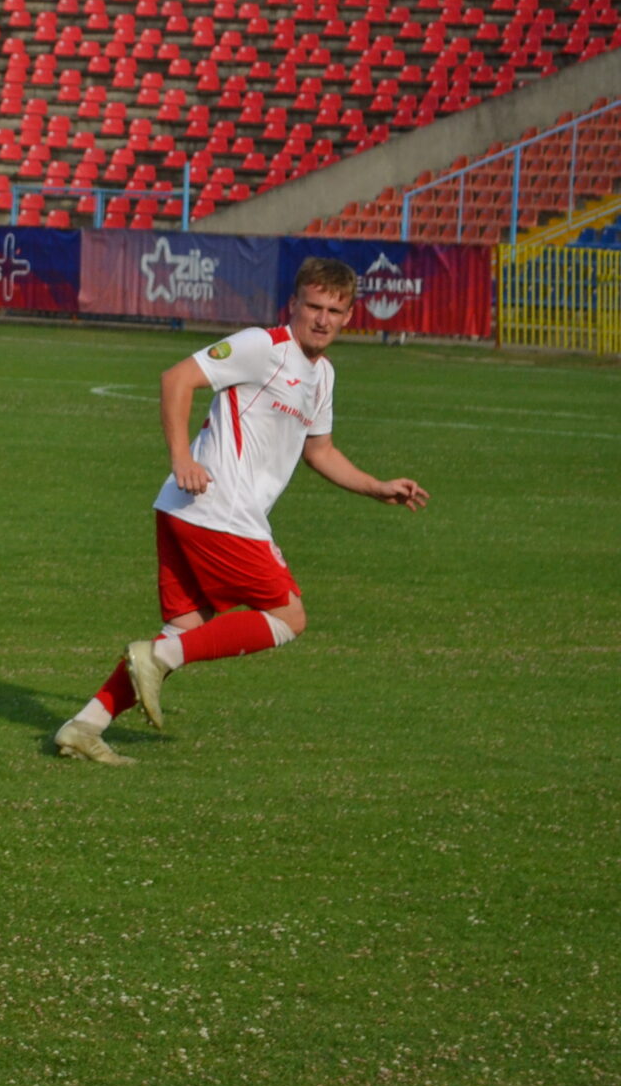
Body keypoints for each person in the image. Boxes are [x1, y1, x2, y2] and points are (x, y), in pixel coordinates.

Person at [54, 258, 428, 766]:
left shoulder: (323, 376)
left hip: (186, 510)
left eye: (333, 310)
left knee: (187, 631)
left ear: (348, 315)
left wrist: (375, 487)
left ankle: (85, 725)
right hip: (217, 507)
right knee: (289, 617)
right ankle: (156, 658)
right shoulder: (263, 346)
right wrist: (181, 456)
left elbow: (320, 451)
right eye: (313, 306)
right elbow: (176, 379)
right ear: (292, 305)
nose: (322, 318)